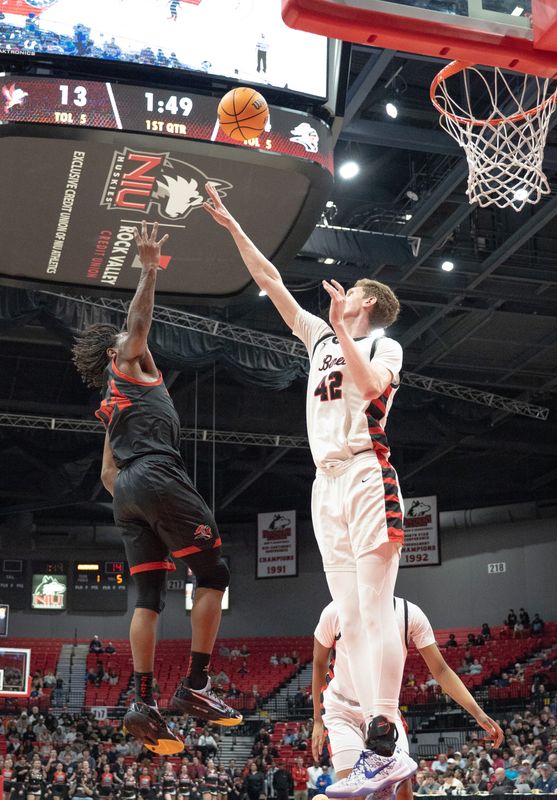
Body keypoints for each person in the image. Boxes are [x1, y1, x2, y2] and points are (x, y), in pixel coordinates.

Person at [204, 186, 412, 791]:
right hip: (324, 482)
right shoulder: (318, 337)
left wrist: (344, 331)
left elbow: (372, 386)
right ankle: (372, 748)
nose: (344, 295)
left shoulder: (381, 342)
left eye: (356, 293)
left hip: (369, 473)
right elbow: (270, 281)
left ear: (367, 302)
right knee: (347, 614)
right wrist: (230, 222)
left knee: (374, 610)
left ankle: (383, 728)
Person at [72, 222, 241, 755]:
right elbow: (139, 326)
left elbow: (106, 476)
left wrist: (136, 493)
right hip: (157, 476)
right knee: (213, 573)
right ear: (116, 352)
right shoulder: (127, 366)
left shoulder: (112, 408)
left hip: (124, 494)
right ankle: (195, 688)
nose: (139, 346)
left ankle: (142, 702)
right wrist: (147, 269)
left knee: (148, 596)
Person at [311, 596, 503, 798]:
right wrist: (317, 719)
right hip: (343, 710)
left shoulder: (409, 613)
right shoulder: (335, 611)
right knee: (354, 794)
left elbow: (441, 670)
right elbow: (318, 663)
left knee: (403, 792)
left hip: (382, 711)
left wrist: (478, 713)